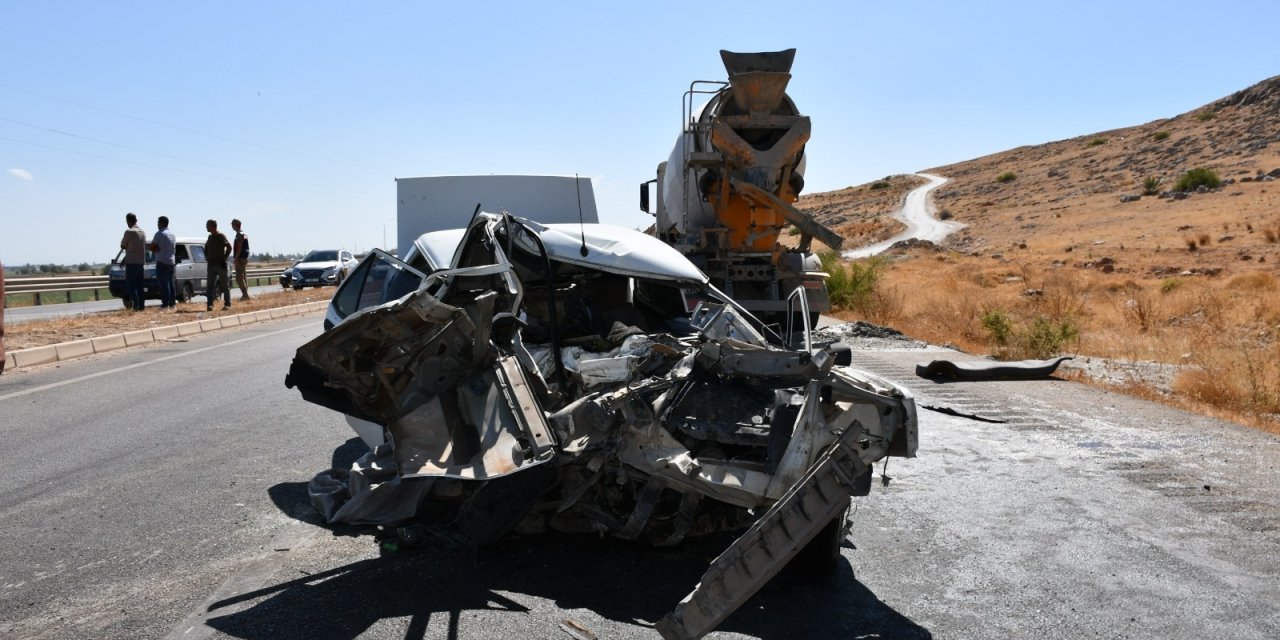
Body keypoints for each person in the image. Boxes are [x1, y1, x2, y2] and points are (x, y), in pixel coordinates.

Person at [150, 216, 178, 310]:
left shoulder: (159, 234)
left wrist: (156, 249)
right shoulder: (172, 234)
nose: (157, 224)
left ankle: (165, 305)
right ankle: (173, 304)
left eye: (158, 222)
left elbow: (152, 247)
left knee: (163, 284)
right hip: (171, 262)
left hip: (162, 261)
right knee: (171, 283)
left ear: (161, 223)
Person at [120, 212, 147, 311]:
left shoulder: (129, 232)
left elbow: (123, 245)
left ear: (128, 221)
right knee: (140, 286)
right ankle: (141, 306)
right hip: (140, 262)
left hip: (131, 263)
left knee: (132, 286)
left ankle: (135, 305)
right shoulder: (142, 232)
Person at [204, 219, 232, 311]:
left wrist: (225, 257)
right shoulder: (210, 237)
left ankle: (227, 304)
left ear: (213, 226)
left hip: (220, 264)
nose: (206, 227)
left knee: (224, 285)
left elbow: (229, 247)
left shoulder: (220, 236)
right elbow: (206, 248)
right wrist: (207, 257)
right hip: (211, 265)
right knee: (210, 286)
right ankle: (210, 305)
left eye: (207, 225)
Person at [231, 218, 250, 301]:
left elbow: (239, 247)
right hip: (243, 258)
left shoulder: (240, 234)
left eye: (232, 224)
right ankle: (245, 295)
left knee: (239, 278)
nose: (232, 226)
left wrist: (236, 258)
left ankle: (245, 295)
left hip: (240, 259)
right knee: (243, 278)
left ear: (236, 225)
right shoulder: (243, 234)